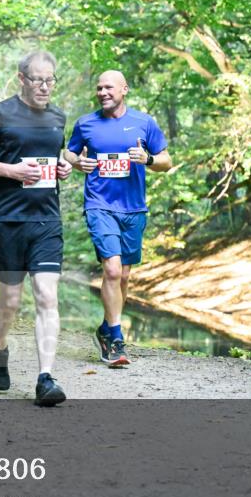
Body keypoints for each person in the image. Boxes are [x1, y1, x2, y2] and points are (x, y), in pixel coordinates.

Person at [0, 51, 73, 406]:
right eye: (38, 80)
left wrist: (62, 166)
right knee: (9, 300)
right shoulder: (1, 114)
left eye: (50, 80)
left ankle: (45, 378)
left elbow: (54, 156)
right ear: (22, 79)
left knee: (46, 295)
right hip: (7, 220)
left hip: (46, 220)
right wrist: (10, 171)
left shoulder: (58, 117)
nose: (45, 86)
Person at [64, 70, 173, 367]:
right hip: (99, 205)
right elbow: (69, 154)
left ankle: (105, 328)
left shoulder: (144, 122)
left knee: (123, 275)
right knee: (111, 270)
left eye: (108, 87)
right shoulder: (86, 123)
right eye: (99, 88)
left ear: (124, 89)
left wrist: (148, 159)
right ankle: (115, 338)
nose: (102, 92)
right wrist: (79, 162)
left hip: (133, 208)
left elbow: (166, 161)